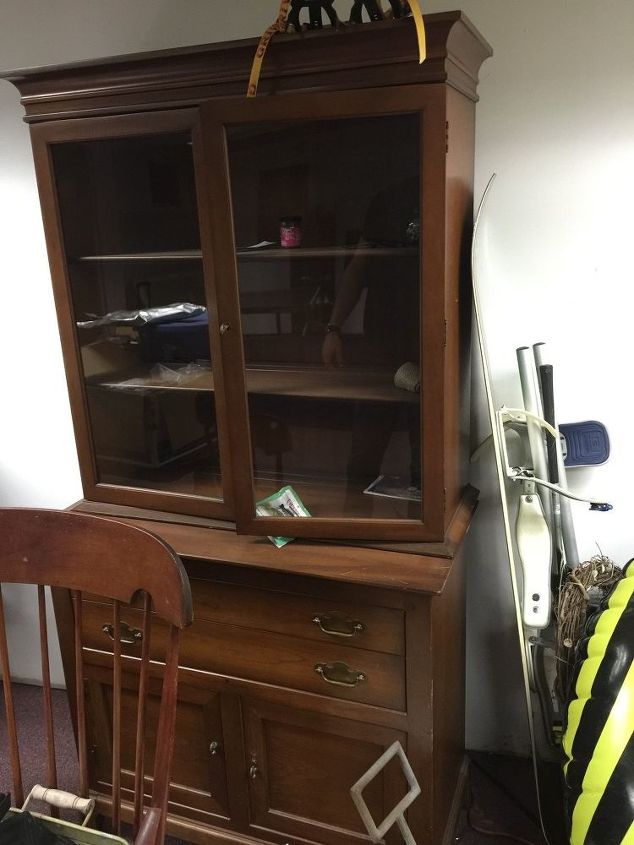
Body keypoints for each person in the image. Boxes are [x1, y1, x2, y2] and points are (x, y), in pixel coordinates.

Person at [321, 176, 421, 494]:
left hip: (431, 343)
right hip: (382, 343)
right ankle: (352, 522)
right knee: (366, 443)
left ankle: (417, 535)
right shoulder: (387, 199)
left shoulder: (442, 190)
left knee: (426, 451)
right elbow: (359, 267)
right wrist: (333, 328)